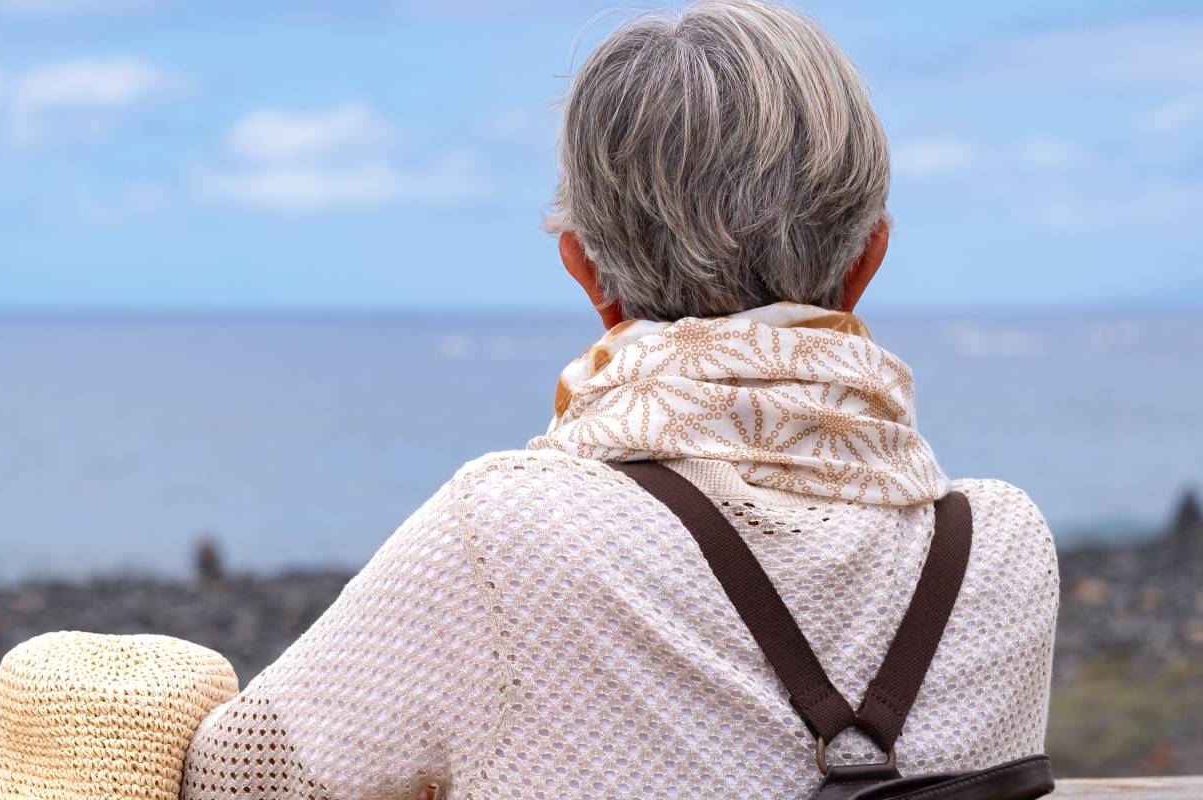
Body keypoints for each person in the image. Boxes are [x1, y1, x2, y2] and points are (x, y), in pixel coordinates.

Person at [177, 1, 1058, 798]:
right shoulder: (1004, 547)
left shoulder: (506, 534)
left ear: (586, 269)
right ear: (867, 261)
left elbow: (239, 780)